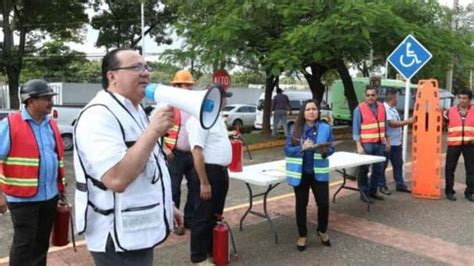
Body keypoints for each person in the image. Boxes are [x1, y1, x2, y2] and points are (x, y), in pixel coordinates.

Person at [73, 48, 183, 265]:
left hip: (135, 231)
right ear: (112, 76)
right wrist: (153, 132)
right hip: (117, 238)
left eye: (146, 67)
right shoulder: (98, 115)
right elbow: (116, 179)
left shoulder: (135, 110)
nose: (145, 73)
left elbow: (149, 165)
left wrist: (167, 205)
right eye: (135, 67)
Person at [0, 79, 66, 266]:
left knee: (41, 244)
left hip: (49, 196)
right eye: (45, 98)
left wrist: (61, 188)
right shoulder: (10, 125)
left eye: (50, 97)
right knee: (24, 244)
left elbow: (57, 159)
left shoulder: (51, 124)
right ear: (29, 101)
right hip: (22, 200)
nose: (50, 102)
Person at [187, 86, 233, 264]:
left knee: (215, 214)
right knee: (203, 216)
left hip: (220, 172)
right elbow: (197, 152)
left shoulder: (217, 118)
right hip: (208, 172)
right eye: (223, 97)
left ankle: (213, 250)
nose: (226, 100)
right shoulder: (200, 119)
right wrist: (204, 182)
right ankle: (198, 257)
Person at [285, 99, 334, 251]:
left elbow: (331, 147)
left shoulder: (325, 128)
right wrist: (302, 148)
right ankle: (302, 235)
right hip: (301, 174)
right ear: (303, 112)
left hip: (318, 173)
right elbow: (287, 149)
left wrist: (326, 151)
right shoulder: (295, 129)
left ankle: (322, 230)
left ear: (318, 112)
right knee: (301, 205)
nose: (312, 111)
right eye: (308, 109)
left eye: (314, 109)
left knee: (324, 204)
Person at [163, 69, 199, 235]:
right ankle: (175, 222)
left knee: (195, 188)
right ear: (176, 86)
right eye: (185, 85)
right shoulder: (169, 106)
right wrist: (164, 148)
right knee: (173, 189)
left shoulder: (195, 107)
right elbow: (155, 129)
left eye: (190, 86)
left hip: (193, 154)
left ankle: (189, 220)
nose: (188, 89)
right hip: (174, 154)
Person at [352, 86, 390, 203]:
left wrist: (388, 141)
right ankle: (363, 193)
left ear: (376, 96)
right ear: (365, 96)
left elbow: (385, 125)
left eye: (373, 95)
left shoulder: (382, 107)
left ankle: (373, 191)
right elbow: (356, 129)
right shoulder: (359, 109)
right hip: (366, 144)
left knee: (378, 169)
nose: (370, 97)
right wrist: (358, 146)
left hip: (380, 143)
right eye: (368, 95)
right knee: (364, 169)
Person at [378, 90, 413, 195]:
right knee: (382, 166)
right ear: (392, 98)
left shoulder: (393, 109)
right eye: (396, 97)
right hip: (387, 143)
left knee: (398, 164)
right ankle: (382, 186)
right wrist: (408, 122)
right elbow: (392, 124)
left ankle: (400, 184)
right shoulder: (384, 109)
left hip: (396, 142)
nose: (397, 100)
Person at [444, 89, 474, 202]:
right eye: (460, 98)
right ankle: (449, 192)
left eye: (465, 98)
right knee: (449, 169)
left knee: (471, 170)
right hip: (453, 144)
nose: (462, 100)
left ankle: (470, 192)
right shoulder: (449, 111)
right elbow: (442, 122)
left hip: (470, 144)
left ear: (469, 99)